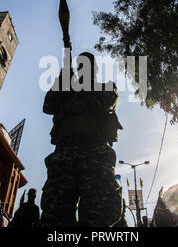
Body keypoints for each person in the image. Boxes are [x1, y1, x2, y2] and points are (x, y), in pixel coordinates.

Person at [40, 52, 123, 227]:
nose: (85, 69)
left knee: (100, 214)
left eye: (89, 65)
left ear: (95, 69)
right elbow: (48, 105)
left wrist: (68, 104)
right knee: (55, 213)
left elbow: (101, 101)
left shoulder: (106, 87)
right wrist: (62, 79)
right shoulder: (67, 88)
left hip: (96, 152)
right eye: (81, 65)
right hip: (65, 153)